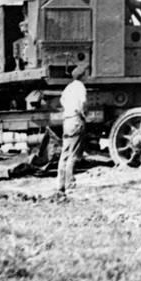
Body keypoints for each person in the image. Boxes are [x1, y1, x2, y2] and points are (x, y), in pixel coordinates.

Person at [57, 62, 89, 194]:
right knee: (73, 153)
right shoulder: (80, 87)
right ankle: (69, 184)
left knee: (64, 153)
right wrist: (83, 114)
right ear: (82, 76)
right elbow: (83, 102)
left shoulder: (68, 87)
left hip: (67, 120)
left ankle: (60, 184)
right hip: (76, 120)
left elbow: (62, 100)